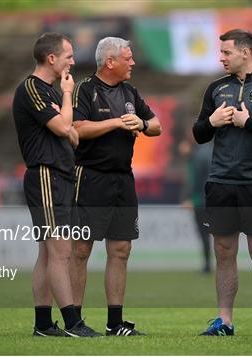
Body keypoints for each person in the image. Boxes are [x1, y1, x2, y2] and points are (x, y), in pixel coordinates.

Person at [192, 29, 252, 337]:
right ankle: (225, 320)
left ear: (245, 53)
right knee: (223, 250)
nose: (221, 58)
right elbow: (199, 133)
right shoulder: (216, 88)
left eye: (226, 53)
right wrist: (212, 122)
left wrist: (248, 123)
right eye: (221, 53)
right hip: (220, 181)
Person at [69, 37, 162, 336]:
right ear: (110, 62)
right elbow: (77, 128)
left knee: (121, 250)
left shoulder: (130, 91)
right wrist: (117, 123)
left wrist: (142, 124)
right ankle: (75, 322)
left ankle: (115, 323)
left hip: (123, 178)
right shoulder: (85, 89)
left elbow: (156, 124)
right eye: (128, 58)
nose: (133, 62)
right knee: (81, 249)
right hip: (90, 177)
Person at [12, 32, 101, 337]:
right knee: (61, 251)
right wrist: (67, 95)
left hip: (60, 176)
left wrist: (66, 126)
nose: (73, 61)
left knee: (49, 254)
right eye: (69, 56)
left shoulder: (48, 91)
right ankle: (73, 323)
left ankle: (42, 324)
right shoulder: (33, 88)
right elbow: (65, 127)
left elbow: (72, 134)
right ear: (52, 59)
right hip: (45, 176)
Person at [179, 137, 213, 274]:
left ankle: (207, 265)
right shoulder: (201, 154)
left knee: (204, 233)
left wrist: (191, 199)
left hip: (201, 202)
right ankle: (208, 264)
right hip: (206, 200)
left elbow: (197, 181)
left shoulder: (198, 158)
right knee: (208, 234)